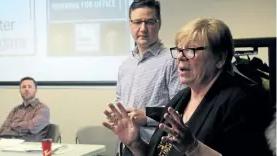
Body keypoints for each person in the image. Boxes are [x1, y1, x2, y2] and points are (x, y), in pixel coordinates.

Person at [103, 17, 272, 156]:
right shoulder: (180, 99)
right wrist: (135, 143)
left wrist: (194, 148)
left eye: (191, 50)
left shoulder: (242, 101)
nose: (181, 57)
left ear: (220, 58)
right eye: (179, 50)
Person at [115, 0, 184, 143]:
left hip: (157, 145)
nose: (143, 29)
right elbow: (119, 102)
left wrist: (148, 116)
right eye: (137, 22)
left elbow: (181, 110)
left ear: (159, 24)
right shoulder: (125, 65)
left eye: (150, 22)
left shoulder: (172, 61)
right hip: (127, 144)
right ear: (130, 24)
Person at [0, 77, 50, 142]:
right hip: (9, 145)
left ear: (36, 90)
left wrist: (13, 125)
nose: (26, 89)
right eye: (24, 87)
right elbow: (1, 131)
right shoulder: (15, 110)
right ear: (20, 90)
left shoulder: (43, 109)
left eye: (30, 87)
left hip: (30, 148)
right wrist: (23, 129)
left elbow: (32, 128)